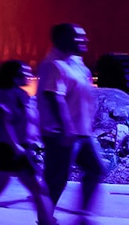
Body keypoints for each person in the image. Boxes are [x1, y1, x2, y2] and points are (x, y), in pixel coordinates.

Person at [0, 60, 56, 225]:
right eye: (25, 73)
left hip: (17, 148)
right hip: (5, 148)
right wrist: (14, 145)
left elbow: (27, 122)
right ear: (13, 76)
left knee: (38, 190)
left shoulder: (20, 94)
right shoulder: (4, 94)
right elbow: (4, 121)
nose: (29, 75)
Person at [38, 22, 104, 220]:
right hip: (62, 134)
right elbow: (54, 97)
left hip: (81, 132)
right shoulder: (54, 64)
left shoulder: (75, 62)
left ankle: (82, 215)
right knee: (56, 180)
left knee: (95, 169)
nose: (85, 40)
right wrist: (66, 129)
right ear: (62, 40)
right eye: (78, 37)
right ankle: (45, 220)